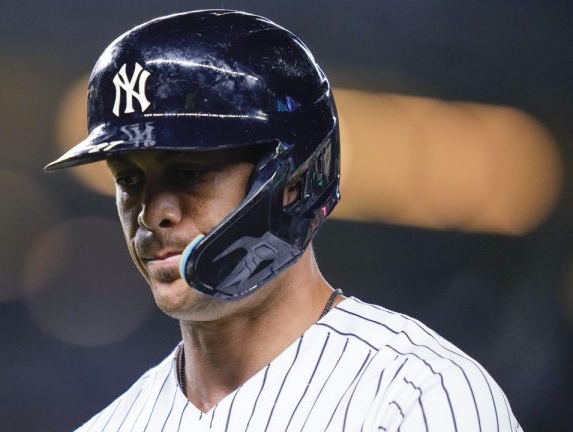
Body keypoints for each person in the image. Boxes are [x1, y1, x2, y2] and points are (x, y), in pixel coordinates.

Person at [45, 9, 522, 431]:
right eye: (129, 180)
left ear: (292, 181)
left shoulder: (415, 397)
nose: (153, 214)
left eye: (189, 172)